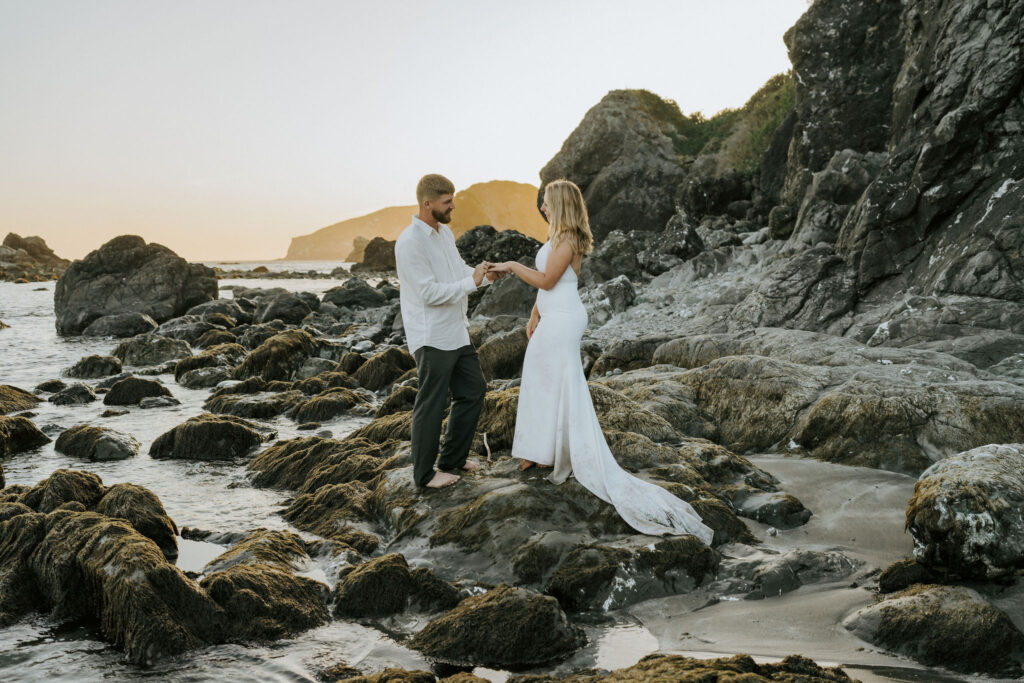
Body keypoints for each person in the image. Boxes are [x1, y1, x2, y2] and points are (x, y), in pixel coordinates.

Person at [486, 179, 714, 541]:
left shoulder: (570, 239)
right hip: (552, 315)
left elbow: (548, 281)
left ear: (559, 204)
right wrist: (534, 313)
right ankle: (539, 449)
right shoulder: (554, 237)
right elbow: (548, 289)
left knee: (555, 380)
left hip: (565, 319)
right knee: (540, 379)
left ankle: (547, 451)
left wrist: (512, 265)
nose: (543, 207)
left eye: (546, 202)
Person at [395, 174, 503, 489]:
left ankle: (452, 459)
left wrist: (480, 273)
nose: (453, 206)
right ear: (427, 204)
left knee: (473, 390)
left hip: (456, 330)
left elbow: (456, 270)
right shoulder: (409, 242)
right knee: (431, 403)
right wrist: (472, 284)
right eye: (447, 202)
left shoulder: (444, 234)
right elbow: (429, 293)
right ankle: (424, 475)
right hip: (431, 336)